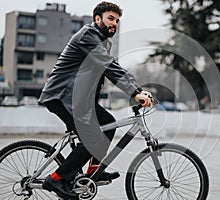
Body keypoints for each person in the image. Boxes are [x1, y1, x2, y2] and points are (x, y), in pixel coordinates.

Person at [38, 2, 153, 199]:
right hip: (62, 96)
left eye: (117, 20)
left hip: (79, 99)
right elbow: (109, 66)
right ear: (97, 19)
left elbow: (106, 71)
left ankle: (93, 172)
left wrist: (139, 90)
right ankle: (56, 179)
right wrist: (134, 92)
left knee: (108, 124)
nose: (114, 23)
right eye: (110, 18)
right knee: (91, 139)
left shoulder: (101, 41)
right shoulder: (88, 36)